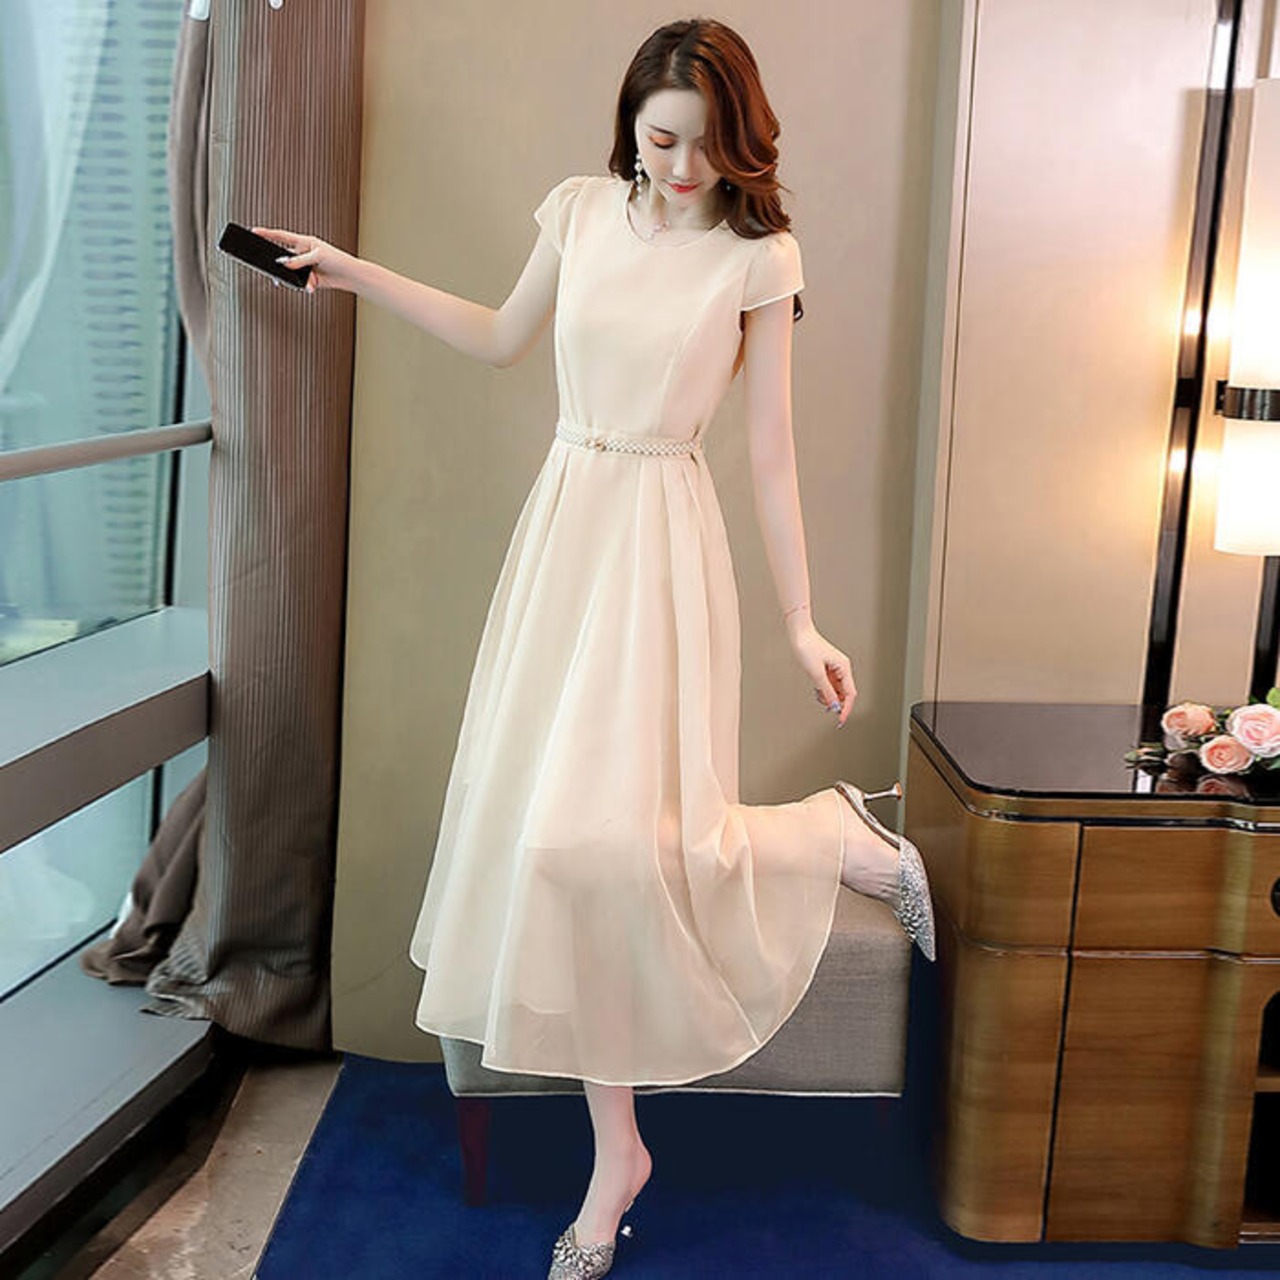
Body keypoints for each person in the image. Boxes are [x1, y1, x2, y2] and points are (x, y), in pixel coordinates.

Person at [257, 17, 935, 1279]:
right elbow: (497, 333)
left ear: (741, 145)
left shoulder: (758, 255)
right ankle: (618, 1148)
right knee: (558, 840)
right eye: (661, 139)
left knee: (614, 842)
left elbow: (770, 454)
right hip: (565, 528)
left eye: (706, 147)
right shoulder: (577, 209)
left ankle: (834, 839)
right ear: (628, 122)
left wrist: (799, 619)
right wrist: (350, 273)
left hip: (661, 544)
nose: (680, 168)